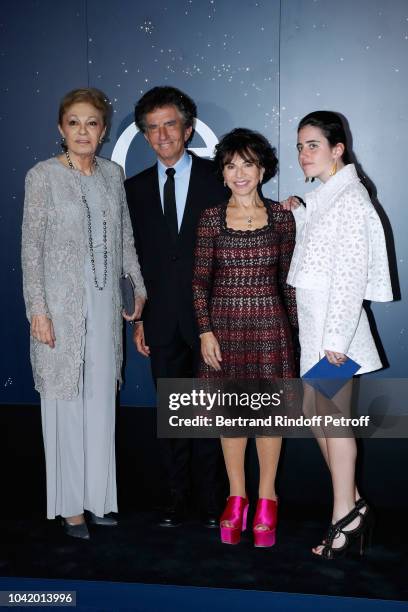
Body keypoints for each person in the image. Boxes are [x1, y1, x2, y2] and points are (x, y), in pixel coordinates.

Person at [21, 88, 146, 540]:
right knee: (64, 403)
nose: (82, 131)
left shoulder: (112, 174)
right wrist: (38, 309)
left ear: (104, 130)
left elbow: (127, 239)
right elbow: (30, 249)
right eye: (73, 122)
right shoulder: (42, 177)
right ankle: (70, 506)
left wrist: (138, 290)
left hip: (105, 306)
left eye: (91, 122)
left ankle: (98, 499)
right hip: (60, 307)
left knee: (99, 404)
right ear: (61, 128)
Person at [283, 110, 393, 558]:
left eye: (313, 145)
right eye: (300, 146)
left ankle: (343, 516)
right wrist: (301, 212)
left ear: (337, 149)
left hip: (336, 335)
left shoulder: (350, 198)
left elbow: (348, 275)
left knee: (332, 419)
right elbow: (321, 249)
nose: (304, 154)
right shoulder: (331, 194)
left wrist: (335, 341)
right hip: (320, 331)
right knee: (317, 416)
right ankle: (355, 505)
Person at [125, 86, 228, 528]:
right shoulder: (131, 189)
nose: (162, 134)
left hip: (212, 318)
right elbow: (132, 258)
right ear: (145, 136)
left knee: (209, 410)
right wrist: (140, 315)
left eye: (169, 124)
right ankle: (174, 499)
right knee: (173, 414)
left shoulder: (219, 178)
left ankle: (211, 502)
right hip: (161, 317)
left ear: (187, 128)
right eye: (152, 128)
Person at [192, 128, 298, 546]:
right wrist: (204, 330)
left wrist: (295, 336)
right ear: (222, 173)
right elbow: (199, 282)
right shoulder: (211, 219)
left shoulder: (283, 217)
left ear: (262, 169)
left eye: (247, 164)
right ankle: (237, 497)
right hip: (223, 332)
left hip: (271, 329)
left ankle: (268, 498)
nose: (239, 173)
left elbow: (290, 283)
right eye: (231, 165)